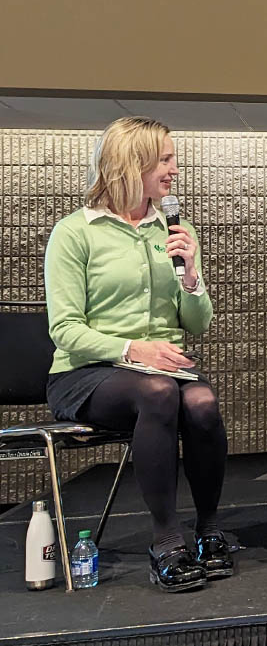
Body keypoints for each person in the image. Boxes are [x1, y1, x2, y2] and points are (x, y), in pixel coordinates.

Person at [44, 116, 230, 592]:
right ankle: (166, 540)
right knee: (158, 392)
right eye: (164, 159)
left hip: (161, 368)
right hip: (88, 372)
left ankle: (208, 530)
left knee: (202, 403)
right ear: (132, 163)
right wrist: (132, 348)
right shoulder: (76, 232)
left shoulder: (175, 227)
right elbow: (65, 329)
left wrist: (191, 277)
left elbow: (198, 324)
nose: (173, 170)